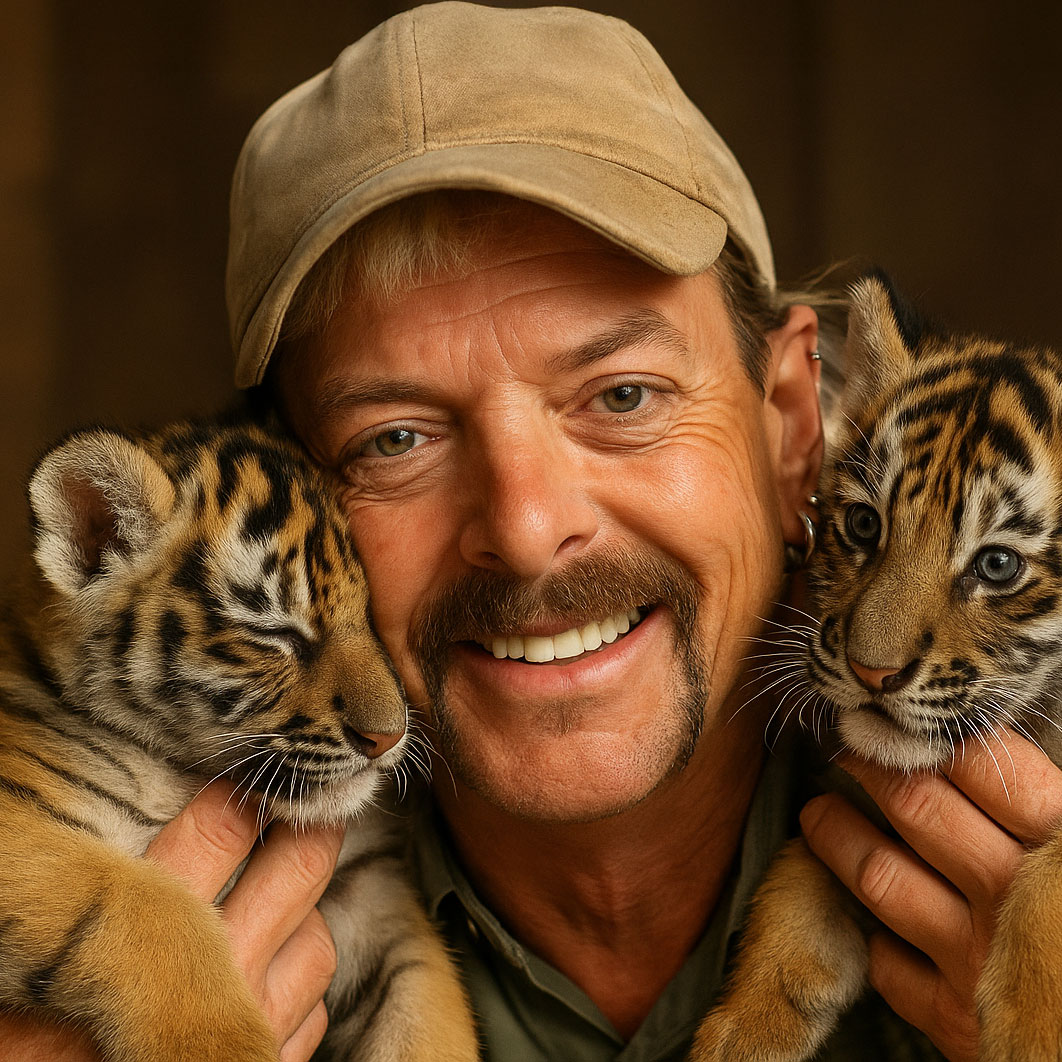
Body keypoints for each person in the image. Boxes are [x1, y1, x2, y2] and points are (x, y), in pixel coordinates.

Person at [5, 5, 1062, 1060]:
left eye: (625, 395)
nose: (526, 526)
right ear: (297, 494)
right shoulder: (190, 842)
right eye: (397, 438)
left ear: (795, 429)